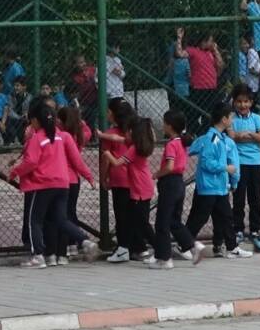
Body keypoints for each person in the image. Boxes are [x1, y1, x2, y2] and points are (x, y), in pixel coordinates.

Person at [8, 100, 98, 268]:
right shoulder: (61, 137)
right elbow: (77, 160)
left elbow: (31, 162)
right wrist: (89, 177)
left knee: (34, 220)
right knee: (61, 219)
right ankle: (84, 240)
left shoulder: (37, 138)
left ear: (35, 121)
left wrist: (14, 172)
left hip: (42, 184)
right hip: (63, 184)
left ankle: (38, 256)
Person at [186, 102, 250, 260]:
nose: (233, 119)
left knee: (226, 217)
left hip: (219, 187)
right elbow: (207, 163)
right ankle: (184, 244)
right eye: (231, 117)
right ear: (223, 119)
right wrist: (225, 168)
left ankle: (232, 247)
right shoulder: (212, 138)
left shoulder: (219, 138)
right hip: (209, 186)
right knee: (200, 217)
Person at [102, 118, 157, 268]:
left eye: (129, 130)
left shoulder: (133, 149)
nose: (126, 133)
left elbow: (117, 163)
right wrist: (102, 135)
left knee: (142, 223)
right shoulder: (139, 144)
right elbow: (116, 138)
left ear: (134, 133)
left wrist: (106, 153)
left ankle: (160, 251)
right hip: (142, 187)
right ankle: (123, 249)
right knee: (130, 220)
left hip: (140, 188)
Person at [152, 110, 202, 269]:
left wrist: (156, 174)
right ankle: (192, 245)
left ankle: (164, 258)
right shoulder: (182, 142)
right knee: (174, 220)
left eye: (165, 123)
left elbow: (170, 166)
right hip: (179, 184)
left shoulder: (171, 144)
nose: (163, 125)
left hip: (169, 183)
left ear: (170, 126)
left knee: (162, 222)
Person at [96, 99, 143, 263]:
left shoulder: (110, 133)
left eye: (109, 112)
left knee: (122, 216)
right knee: (135, 215)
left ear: (115, 114)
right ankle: (137, 247)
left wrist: (103, 178)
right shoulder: (135, 131)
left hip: (120, 178)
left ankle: (124, 247)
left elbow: (106, 159)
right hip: (135, 179)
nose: (107, 114)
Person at [228, 84, 260, 252]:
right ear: (234, 103)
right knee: (238, 198)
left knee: (255, 198)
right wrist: (241, 136)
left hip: (255, 163)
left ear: (251, 102)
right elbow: (232, 137)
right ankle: (238, 229)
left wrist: (250, 135)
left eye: (246, 101)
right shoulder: (231, 118)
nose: (243, 105)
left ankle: (255, 230)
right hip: (239, 164)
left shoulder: (256, 118)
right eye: (239, 102)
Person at [51, 106, 92, 265]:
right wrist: (79, 121)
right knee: (70, 213)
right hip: (74, 179)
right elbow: (87, 129)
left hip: (61, 178)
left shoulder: (61, 137)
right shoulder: (81, 134)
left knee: (60, 216)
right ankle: (74, 243)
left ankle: (67, 246)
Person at [174, 28, 224, 133]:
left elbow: (220, 66)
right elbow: (179, 53)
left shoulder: (210, 53)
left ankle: (206, 133)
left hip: (211, 89)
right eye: (210, 41)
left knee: (209, 115)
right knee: (193, 114)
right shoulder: (193, 51)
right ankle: (193, 134)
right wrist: (179, 38)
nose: (212, 43)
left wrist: (215, 50)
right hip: (198, 88)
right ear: (204, 41)